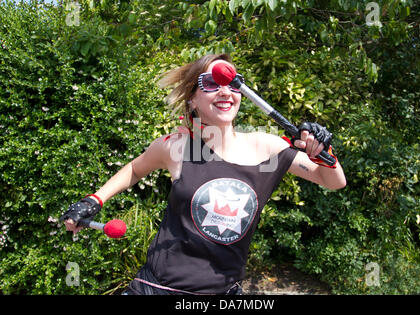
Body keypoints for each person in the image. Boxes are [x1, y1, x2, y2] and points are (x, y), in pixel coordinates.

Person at [60, 53, 346, 295]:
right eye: (211, 84)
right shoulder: (177, 147)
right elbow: (135, 169)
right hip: (156, 288)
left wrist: (322, 151)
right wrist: (94, 200)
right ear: (193, 100)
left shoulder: (268, 147)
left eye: (234, 84)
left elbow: (332, 181)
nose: (225, 92)